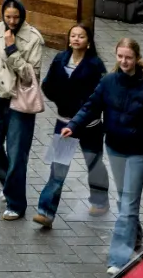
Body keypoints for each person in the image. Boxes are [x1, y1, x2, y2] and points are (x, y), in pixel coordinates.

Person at [62, 36, 143, 274]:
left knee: (128, 205)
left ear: (136, 58)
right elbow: (90, 106)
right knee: (125, 200)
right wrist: (73, 125)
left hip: (138, 153)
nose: (124, 61)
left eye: (129, 57)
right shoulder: (108, 82)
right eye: (120, 56)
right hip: (114, 149)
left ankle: (117, 258)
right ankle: (134, 235)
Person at [34, 25, 109, 225]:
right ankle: (46, 212)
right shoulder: (60, 60)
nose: (76, 39)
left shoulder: (95, 65)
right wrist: (61, 99)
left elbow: (102, 94)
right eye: (73, 36)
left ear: (88, 41)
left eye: (81, 36)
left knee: (94, 163)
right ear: (68, 40)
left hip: (89, 125)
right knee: (58, 169)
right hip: (65, 123)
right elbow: (48, 85)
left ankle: (100, 200)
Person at [0, 0, 45, 220]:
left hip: (20, 101)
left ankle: (16, 204)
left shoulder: (33, 39)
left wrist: (12, 50)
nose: (12, 21)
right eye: (8, 17)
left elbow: (31, 76)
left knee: (17, 155)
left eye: (16, 17)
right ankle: (10, 184)